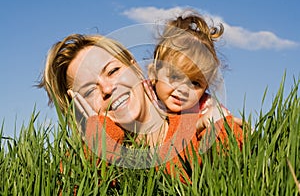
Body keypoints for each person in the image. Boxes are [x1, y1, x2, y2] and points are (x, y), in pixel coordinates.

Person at [38, 32, 243, 182]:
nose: (108, 88)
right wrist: (100, 135)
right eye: (89, 91)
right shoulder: (92, 160)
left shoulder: (205, 127)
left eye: (113, 71)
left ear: (134, 66)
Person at [147, 11, 244, 179]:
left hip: (196, 161)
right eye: (175, 77)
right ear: (153, 73)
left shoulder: (204, 105)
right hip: (159, 158)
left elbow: (220, 122)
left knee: (226, 128)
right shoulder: (145, 95)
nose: (184, 89)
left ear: (206, 86)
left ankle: (220, 178)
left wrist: (235, 129)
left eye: (195, 83)